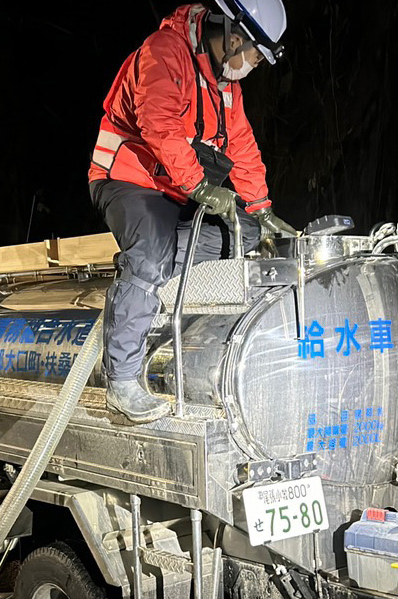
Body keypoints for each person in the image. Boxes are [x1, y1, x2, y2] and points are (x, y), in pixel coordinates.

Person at [88, 0, 295, 423]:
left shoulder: (223, 85)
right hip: (128, 181)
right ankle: (123, 380)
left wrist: (262, 208)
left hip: (176, 190)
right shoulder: (164, 51)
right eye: (256, 58)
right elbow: (158, 122)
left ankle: (150, 288)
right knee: (152, 252)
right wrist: (199, 186)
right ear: (235, 39)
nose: (253, 67)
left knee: (246, 234)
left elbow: (242, 145)